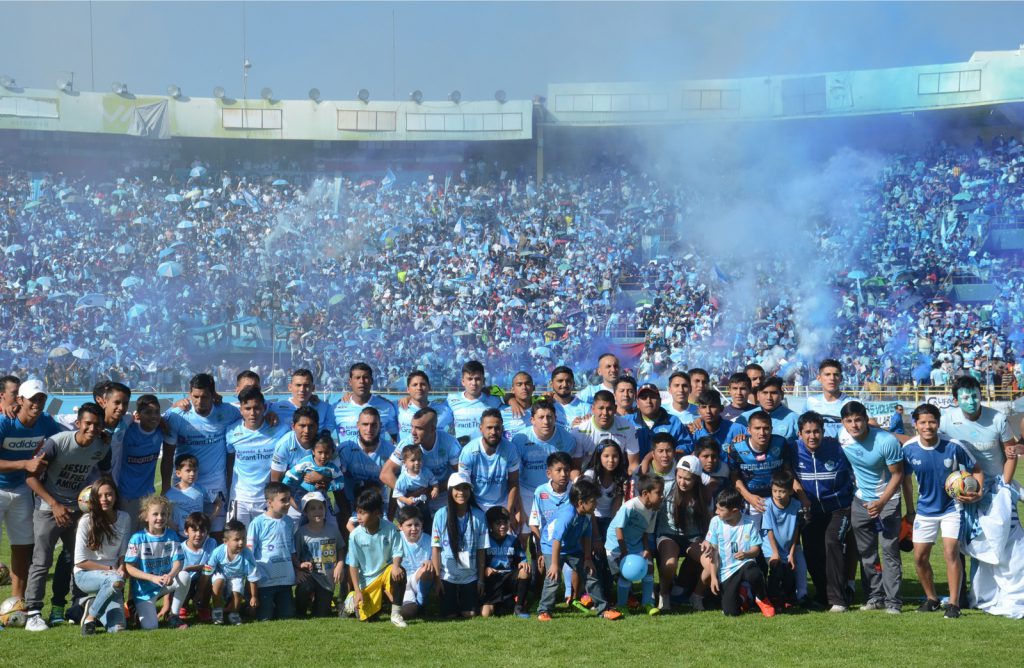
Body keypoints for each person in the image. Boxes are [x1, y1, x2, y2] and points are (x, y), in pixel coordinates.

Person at [24, 402, 111, 631]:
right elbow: (31, 477)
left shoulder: (102, 447)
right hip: (48, 508)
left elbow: (103, 475)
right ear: (78, 423)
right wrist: (55, 505)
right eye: (88, 424)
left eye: (97, 425)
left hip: (77, 511)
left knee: (78, 561)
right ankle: (33, 612)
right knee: (41, 562)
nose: (92, 429)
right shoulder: (58, 442)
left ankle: (72, 608)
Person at [901, 403, 982, 619]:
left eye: (932, 422)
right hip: (925, 511)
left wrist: (977, 492)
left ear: (938, 423)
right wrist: (910, 510)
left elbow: (976, 469)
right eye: (923, 422)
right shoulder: (908, 449)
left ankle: (954, 604)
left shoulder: (953, 446)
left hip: (951, 508)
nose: (928, 426)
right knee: (919, 558)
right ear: (915, 425)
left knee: (950, 552)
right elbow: (906, 481)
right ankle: (932, 599)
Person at [839, 401, 905, 614]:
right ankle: (875, 597)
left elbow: (898, 474)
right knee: (866, 554)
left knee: (889, 551)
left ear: (866, 419)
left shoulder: (886, 441)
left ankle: (893, 601)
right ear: (843, 423)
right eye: (849, 421)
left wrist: (882, 502)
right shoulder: (842, 437)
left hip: (888, 501)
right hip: (860, 502)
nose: (854, 425)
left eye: (858, 419)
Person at [0, 378, 62, 603]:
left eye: (41, 398)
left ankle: (17, 603)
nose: (37, 403)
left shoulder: (45, 421)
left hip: (22, 490)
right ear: (20, 400)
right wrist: (25, 464)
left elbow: (63, 440)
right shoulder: (4, 422)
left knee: (23, 547)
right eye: (33, 398)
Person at [162, 373, 241, 539]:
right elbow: (168, 455)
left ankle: (212, 565)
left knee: (216, 533)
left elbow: (250, 416)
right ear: (189, 394)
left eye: (204, 397)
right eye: (195, 396)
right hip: (185, 484)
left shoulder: (227, 412)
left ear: (213, 395)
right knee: (184, 532)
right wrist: (164, 486)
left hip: (215, 483)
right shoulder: (177, 415)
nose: (199, 402)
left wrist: (270, 415)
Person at [793, 412, 855, 612]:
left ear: (823, 431)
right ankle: (822, 595)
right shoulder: (792, 449)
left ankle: (839, 599)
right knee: (812, 551)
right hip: (811, 510)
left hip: (839, 507)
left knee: (832, 542)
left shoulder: (838, 448)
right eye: (808, 432)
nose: (813, 436)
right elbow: (786, 471)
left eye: (817, 431)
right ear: (800, 433)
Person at [537, 478, 621, 621]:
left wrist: (587, 559)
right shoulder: (568, 514)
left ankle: (603, 610)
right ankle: (544, 611)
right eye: (593, 501)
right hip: (551, 547)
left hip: (572, 548)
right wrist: (555, 565)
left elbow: (587, 536)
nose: (596, 504)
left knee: (590, 573)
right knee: (553, 577)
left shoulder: (587, 514)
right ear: (581, 503)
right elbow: (556, 539)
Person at [700, 487, 775, 617]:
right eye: (717, 508)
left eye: (721, 510)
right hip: (727, 571)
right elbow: (714, 552)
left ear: (734, 511)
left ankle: (761, 598)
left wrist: (746, 554)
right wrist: (713, 576)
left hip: (745, 564)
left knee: (754, 573)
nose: (717, 512)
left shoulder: (749, 523)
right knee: (731, 612)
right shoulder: (715, 522)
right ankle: (744, 595)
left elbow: (756, 550)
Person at [73, 477, 130, 635]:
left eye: (109, 494)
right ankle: (90, 618)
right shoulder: (86, 521)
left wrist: (122, 567)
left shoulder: (125, 518)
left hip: (114, 578)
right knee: (115, 580)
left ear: (115, 496)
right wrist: (111, 569)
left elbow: (123, 552)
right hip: (85, 575)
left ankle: (93, 603)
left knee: (117, 629)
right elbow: (80, 562)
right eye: (100, 495)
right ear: (94, 499)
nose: (105, 499)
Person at [654, 455, 711, 613]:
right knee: (670, 563)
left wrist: (708, 540)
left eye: (688, 479)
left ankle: (697, 595)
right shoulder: (666, 488)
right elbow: (654, 512)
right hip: (668, 534)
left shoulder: (704, 495)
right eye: (679, 477)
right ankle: (664, 594)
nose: (682, 482)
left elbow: (710, 522)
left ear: (697, 479)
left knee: (711, 562)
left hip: (694, 536)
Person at [226, 387, 288, 529]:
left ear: (264, 408)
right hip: (239, 499)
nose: (252, 413)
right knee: (236, 544)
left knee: (267, 545)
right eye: (247, 408)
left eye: (257, 408)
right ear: (241, 409)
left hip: (268, 500)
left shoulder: (280, 430)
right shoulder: (231, 432)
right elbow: (229, 464)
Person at [344, 488, 406, 627]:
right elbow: (353, 565)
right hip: (367, 580)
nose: (358, 517)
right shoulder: (355, 535)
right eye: (358, 512)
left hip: (385, 572)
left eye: (363, 513)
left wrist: (396, 566)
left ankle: (396, 614)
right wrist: (357, 591)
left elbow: (397, 551)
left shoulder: (390, 528)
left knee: (400, 572)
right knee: (368, 619)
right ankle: (350, 601)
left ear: (377, 513)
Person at [123, 494, 187, 630]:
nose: (160, 518)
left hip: (164, 583)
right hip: (144, 591)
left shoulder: (171, 535)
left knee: (184, 576)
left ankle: (174, 615)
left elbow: (178, 561)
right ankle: (134, 607)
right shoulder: (137, 538)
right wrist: (152, 578)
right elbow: (129, 567)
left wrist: (170, 574)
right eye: (155, 514)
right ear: (146, 517)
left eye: (163, 514)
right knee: (151, 627)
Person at [510, 399, 575, 531]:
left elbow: (570, 470)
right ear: (532, 420)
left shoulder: (567, 439)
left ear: (555, 418)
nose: (546, 421)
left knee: (557, 531)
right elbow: (514, 476)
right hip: (527, 492)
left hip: (556, 492)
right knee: (523, 534)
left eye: (549, 417)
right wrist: (518, 508)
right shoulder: (520, 439)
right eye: (541, 417)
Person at [381, 407, 460, 515]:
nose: (413, 432)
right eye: (412, 427)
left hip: (442, 499)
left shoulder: (449, 443)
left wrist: (433, 490)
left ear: (432, 429)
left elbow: (460, 475)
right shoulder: (407, 443)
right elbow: (385, 474)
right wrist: (406, 493)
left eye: (419, 428)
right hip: (413, 503)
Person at [431, 472, 488, 619]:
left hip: (470, 576)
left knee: (469, 614)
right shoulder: (440, 515)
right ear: (450, 491)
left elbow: (482, 550)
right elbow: (436, 549)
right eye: (457, 489)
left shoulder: (479, 516)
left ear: (470, 491)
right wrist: (437, 580)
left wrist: (480, 580)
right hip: (447, 576)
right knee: (450, 616)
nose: (461, 492)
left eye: (465, 488)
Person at [726, 411, 797, 530]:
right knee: (753, 541)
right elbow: (734, 476)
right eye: (757, 428)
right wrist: (749, 497)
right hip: (750, 500)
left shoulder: (780, 443)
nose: (762, 433)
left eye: (766, 428)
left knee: (780, 540)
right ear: (749, 430)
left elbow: (788, 472)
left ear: (771, 429)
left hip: (778, 499)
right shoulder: (737, 448)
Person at [605, 473, 664, 615]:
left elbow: (645, 532)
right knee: (626, 573)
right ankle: (621, 605)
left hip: (635, 544)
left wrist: (646, 549)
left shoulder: (653, 511)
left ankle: (647, 603)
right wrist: (624, 551)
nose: (662, 496)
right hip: (617, 545)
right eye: (658, 493)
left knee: (649, 568)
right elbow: (618, 528)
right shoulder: (630, 506)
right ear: (645, 493)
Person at [247, 481, 301, 621]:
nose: (288, 503)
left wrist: (298, 566)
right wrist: (251, 576)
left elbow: (291, 549)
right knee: (265, 617)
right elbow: (250, 552)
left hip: (285, 579)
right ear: (269, 502)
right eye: (283, 500)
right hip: (265, 579)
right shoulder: (258, 523)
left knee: (287, 616)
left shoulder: (289, 522)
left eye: (288, 499)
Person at [115, 394, 164, 533]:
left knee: (147, 537)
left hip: (148, 496)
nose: (153, 416)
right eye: (148, 412)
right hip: (126, 496)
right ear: (138, 414)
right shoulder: (128, 432)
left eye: (157, 412)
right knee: (127, 538)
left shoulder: (161, 432)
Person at [458, 408, 520, 513]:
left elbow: (513, 482)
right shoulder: (468, 451)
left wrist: (509, 512)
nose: (493, 432)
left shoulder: (510, 449)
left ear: (502, 428)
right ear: (481, 428)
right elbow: (463, 485)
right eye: (489, 428)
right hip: (476, 504)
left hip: (502, 504)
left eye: (497, 428)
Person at [294, 491, 345, 618]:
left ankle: (318, 603)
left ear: (325, 509)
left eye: (320, 508)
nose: (317, 511)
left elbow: (340, 548)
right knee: (305, 588)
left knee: (322, 614)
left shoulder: (333, 529)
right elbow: (294, 555)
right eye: (312, 508)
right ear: (305, 512)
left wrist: (339, 565)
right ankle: (300, 608)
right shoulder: (301, 533)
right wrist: (298, 569)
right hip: (309, 575)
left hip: (327, 578)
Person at [337, 407, 395, 517]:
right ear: (357, 425)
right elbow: (336, 484)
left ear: (380, 426)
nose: (369, 429)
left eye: (373, 425)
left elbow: (397, 487)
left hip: (378, 507)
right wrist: (345, 513)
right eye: (365, 424)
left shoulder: (391, 451)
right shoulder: (345, 449)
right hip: (348, 505)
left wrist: (390, 515)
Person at [570, 390, 640, 475]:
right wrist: (580, 483)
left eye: (609, 409)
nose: (605, 413)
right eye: (601, 408)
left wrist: (630, 481)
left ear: (615, 409)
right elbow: (575, 468)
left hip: (617, 476)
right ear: (593, 409)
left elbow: (633, 464)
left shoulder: (627, 427)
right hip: (588, 477)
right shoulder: (580, 430)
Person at [205, 519, 259, 625]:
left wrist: (254, 596)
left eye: (244, 538)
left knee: (238, 589)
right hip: (221, 575)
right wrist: (201, 592)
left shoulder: (248, 554)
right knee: (218, 581)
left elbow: (252, 577)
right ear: (225, 541)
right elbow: (207, 571)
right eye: (237, 539)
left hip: (236, 577)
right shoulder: (217, 552)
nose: (241, 542)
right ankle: (217, 611)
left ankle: (234, 613)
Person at [481, 505, 530, 618]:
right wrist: (485, 569)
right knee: (485, 614)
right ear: (490, 525)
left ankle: (519, 607)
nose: (503, 526)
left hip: (509, 577)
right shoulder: (485, 541)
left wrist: (523, 562)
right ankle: (504, 603)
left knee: (525, 571)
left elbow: (522, 557)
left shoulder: (513, 540)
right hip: (493, 579)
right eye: (498, 523)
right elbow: (479, 561)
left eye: (506, 523)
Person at [763, 469, 803, 608]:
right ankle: (773, 598)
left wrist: (791, 553)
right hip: (770, 547)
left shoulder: (796, 505)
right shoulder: (767, 505)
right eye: (775, 491)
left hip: (787, 548)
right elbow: (769, 531)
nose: (778, 495)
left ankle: (788, 598)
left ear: (791, 491)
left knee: (789, 572)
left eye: (782, 491)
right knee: (776, 568)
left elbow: (796, 530)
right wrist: (775, 553)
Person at [334, 363, 399, 443]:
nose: (361, 381)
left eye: (365, 377)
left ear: (371, 381)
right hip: (346, 455)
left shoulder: (387, 407)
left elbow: (396, 437)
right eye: (357, 378)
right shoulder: (336, 409)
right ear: (350, 382)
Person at [282, 433, 345, 514]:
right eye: (320, 452)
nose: (323, 456)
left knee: (328, 522)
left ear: (332, 452)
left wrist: (327, 484)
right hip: (302, 497)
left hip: (322, 498)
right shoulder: (305, 463)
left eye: (327, 452)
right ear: (313, 451)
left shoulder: (332, 468)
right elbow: (289, 477)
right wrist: (287, 494)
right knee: (303, 521)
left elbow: (341, 482)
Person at [581, 440, 629, 545]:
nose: (611, 460)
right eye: (606, 456)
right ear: (599, 457)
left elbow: (615, 508)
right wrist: (597, 537)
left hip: (610, 519)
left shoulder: (621, 477)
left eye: (615, 456)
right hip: (591, 518)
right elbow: (589, 509)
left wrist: (612, 531)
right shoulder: (590, 476)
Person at [447, 360, 502, 445]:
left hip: (486, 453)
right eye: (470, 379)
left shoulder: (494, 401)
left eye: (477, 379)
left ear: (483, 381)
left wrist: (511, 400)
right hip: (462, 452)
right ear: (463, 381)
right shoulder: (451, 400)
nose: (474, 383)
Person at [678, 389, 747, 455]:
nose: (708, 411)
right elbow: (683, 450)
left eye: (712, 406)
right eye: (704, 407)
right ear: (698, 410)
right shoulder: (693, 431)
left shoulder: (737, 429)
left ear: (721, 408)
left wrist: (746, 438)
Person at [267, 368, 336, 435]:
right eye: (298, 385)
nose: (302, 389)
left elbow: (327, 436)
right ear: (290, 387)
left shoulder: (325, 408)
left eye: (306, 385)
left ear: (313, 388)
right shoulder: (275, 408)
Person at [395, 505, 435, 620]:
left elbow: (436, 561)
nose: (414, 528)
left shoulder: (428, 539)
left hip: (420, 580)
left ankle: (422, 603)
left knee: (427, 568)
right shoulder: (396, 539)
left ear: (422, 525)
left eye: (417, 525)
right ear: (400, 526)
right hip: (403, 583)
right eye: (409, 525)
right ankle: (415, 606)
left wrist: (430, 561)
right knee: (409, 613)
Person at [175, 511, 216, 622]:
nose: (198, 534)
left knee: (209, 575)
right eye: (194, 530)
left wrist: (189, 568)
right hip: (185, 583)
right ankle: (182, 606)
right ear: (185, 531)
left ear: (207, 532)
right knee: (183, 577)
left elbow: (210, 566)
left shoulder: (211, 543)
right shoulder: (180, 548)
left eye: (202, 531)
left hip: (202, 581)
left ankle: (203, 607)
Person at [166, 454, 219, 537]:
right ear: (178, 473)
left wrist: (210, 519)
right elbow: (163, 512)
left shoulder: (201, 489)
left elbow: (218, 502)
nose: (192, 473)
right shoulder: (170, 494)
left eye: (195, 470)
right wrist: (170, 523)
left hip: (199, 535)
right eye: (188, 470)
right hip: (179, 536)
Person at [735, 376, 800, 442]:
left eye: (773, 393)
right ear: (757, 395)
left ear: (782, 395)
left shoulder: (795, 419)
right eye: (765, 393)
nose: (769, 397)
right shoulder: (745, 418)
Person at [396, 371, 453, 441]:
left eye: (422, 384)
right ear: (408, 390)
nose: (419, 388)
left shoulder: (444, 410)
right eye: (415, 385)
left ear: (429, 387)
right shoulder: (399, 408)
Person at [632, 383, 685, 459]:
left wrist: (669, 455)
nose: (649, 401)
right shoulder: (627, 421)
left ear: (660, 401)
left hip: (666, 468)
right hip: (635, 469)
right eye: (644, 398)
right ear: (637, 403)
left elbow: (685, 445)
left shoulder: (674, 422)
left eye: (653, 397)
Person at [805, 359, 854, 438]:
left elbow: (872, 426)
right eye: (827, 374)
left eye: (836, 375)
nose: (832, 378)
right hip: (818, 450)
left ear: (841, 378)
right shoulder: (811, 402)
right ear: (819, 378)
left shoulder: (853, 403)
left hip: (844, 449)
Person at [393, 444, 439, 518]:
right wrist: (406, 500)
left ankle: (427, 528)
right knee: (409, 520)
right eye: (413, 460)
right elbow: (397, 494)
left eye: (419, 459)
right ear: (404, 463)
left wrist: (435, 489)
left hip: (421, 501)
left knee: (426, 517)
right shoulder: (403, 478)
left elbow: (433, 481)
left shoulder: (426, 472)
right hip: (405, 505)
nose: (417, 462)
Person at [500, 371, 535, 438]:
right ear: (512, 389)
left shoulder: (540, 410)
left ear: (533, 388)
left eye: (527, 384)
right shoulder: (502, 412)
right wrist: (510, 400)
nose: (524, 387)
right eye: (519, 384)